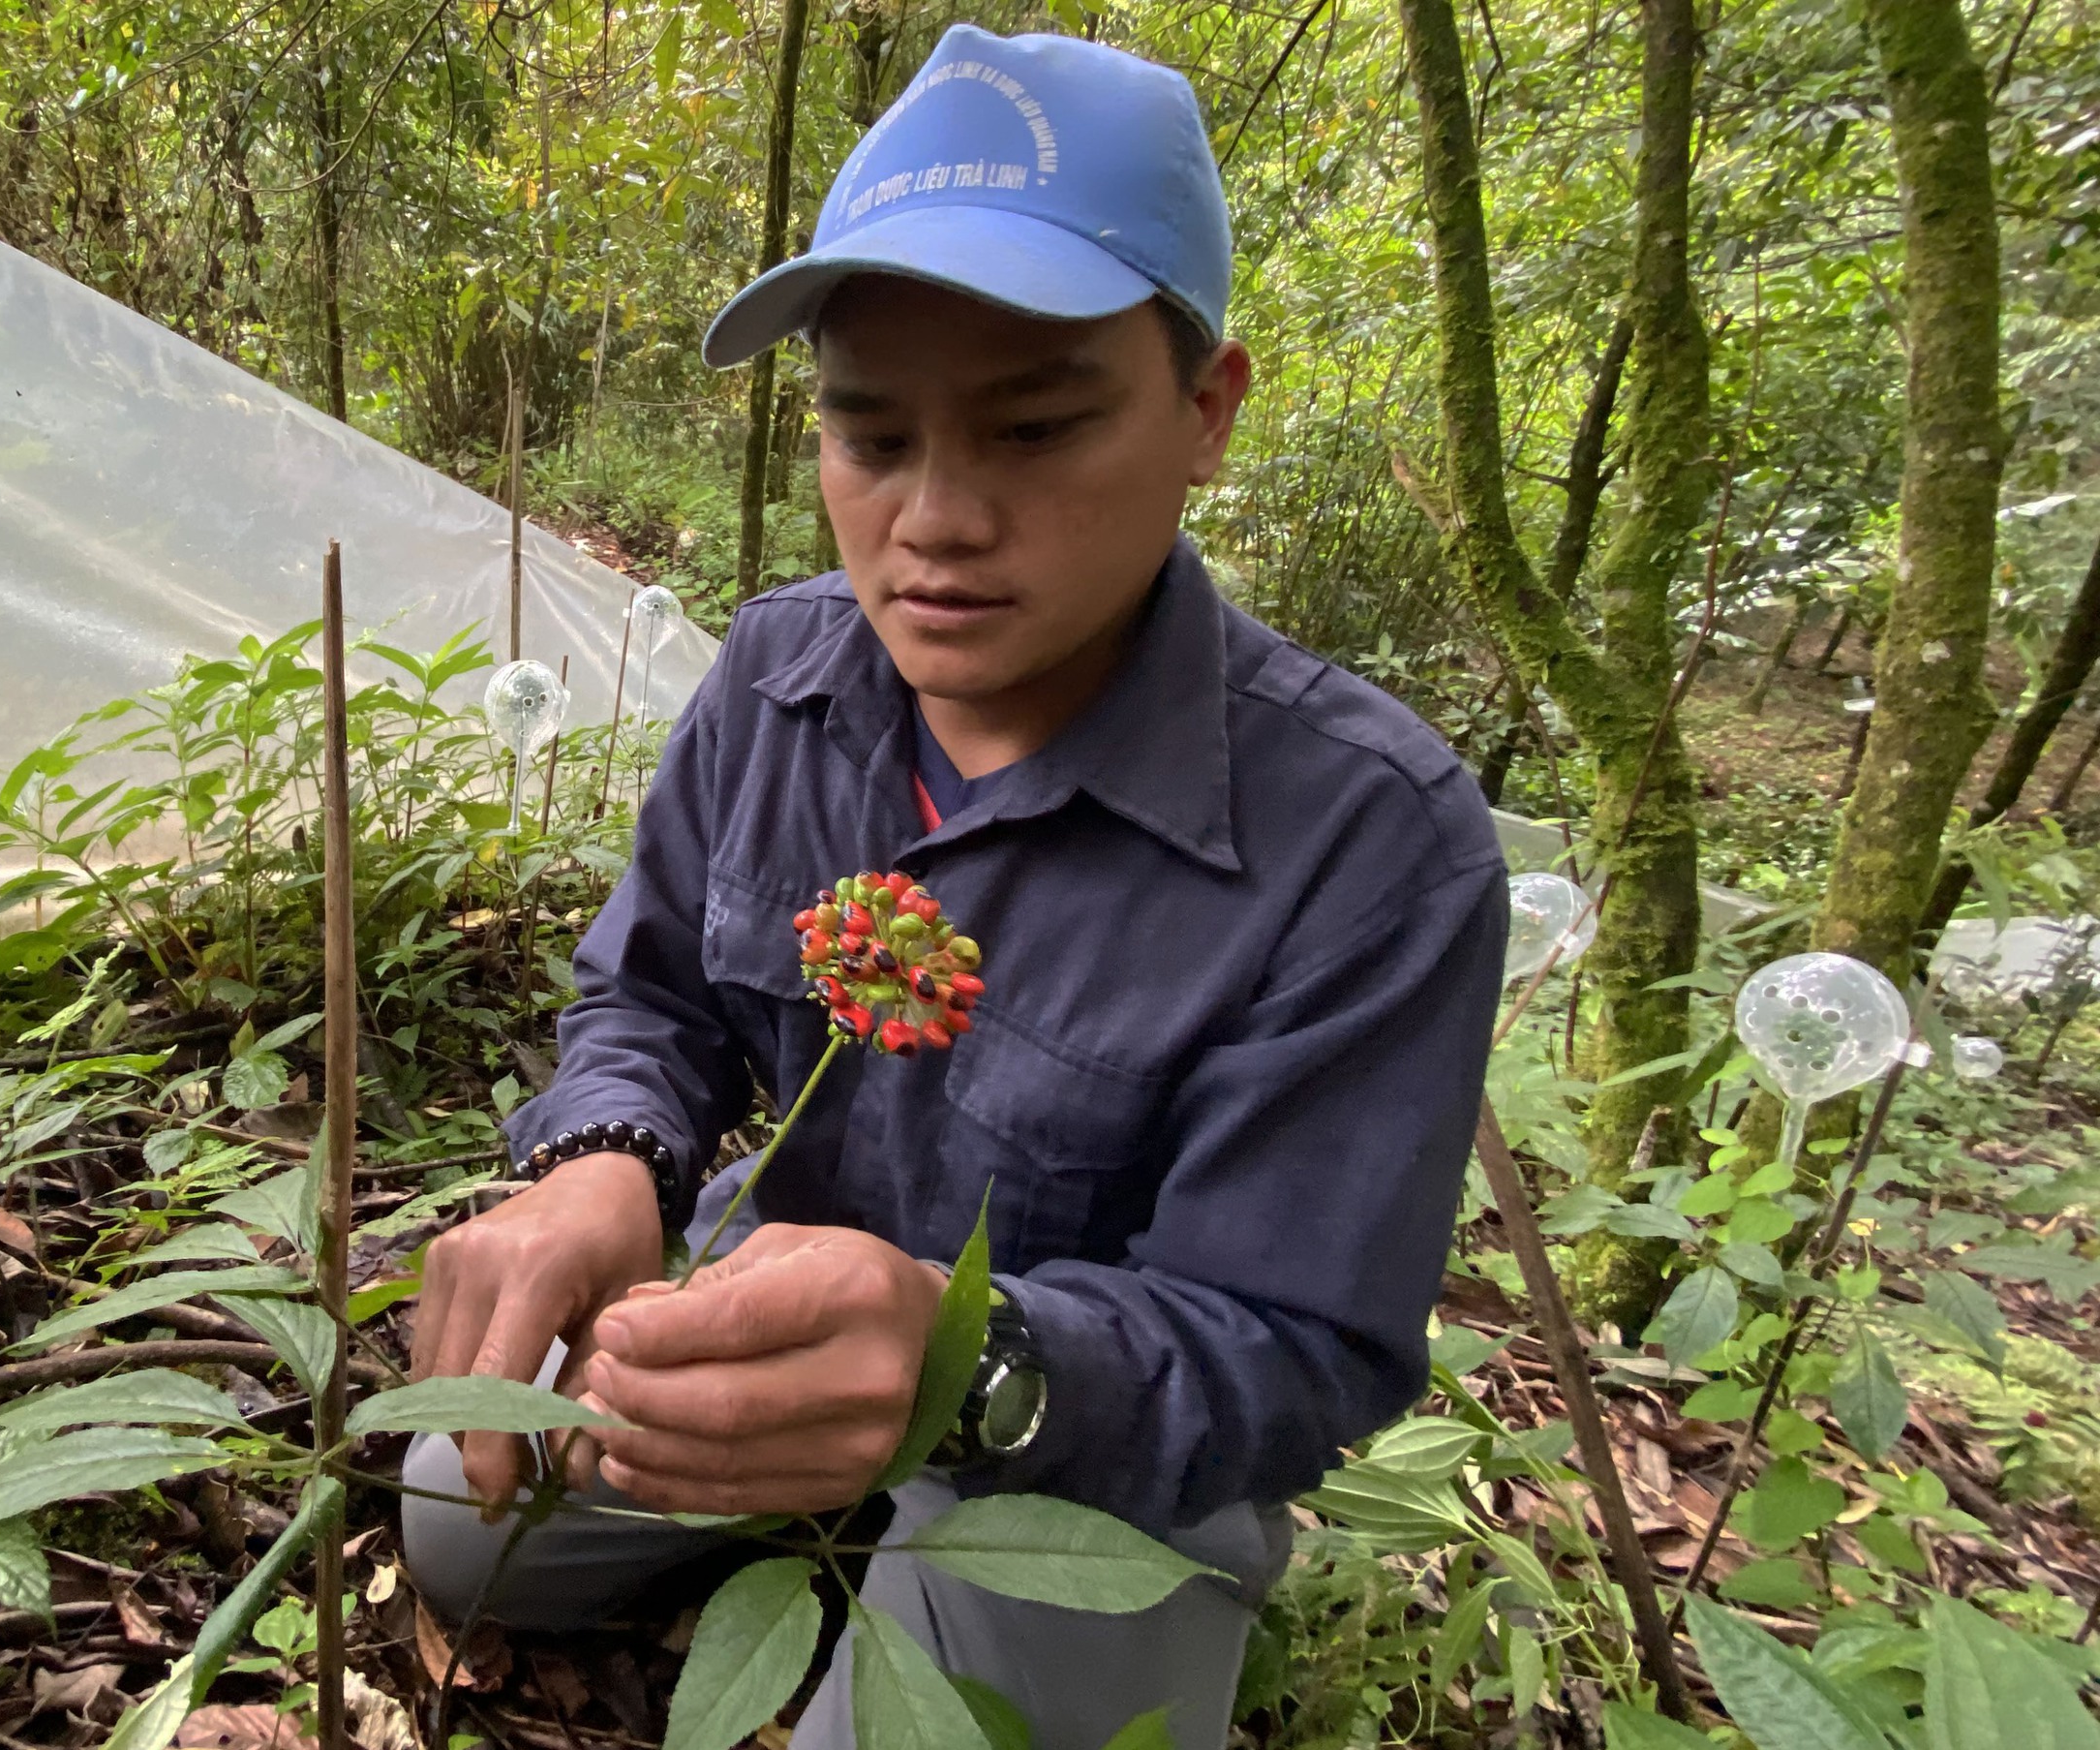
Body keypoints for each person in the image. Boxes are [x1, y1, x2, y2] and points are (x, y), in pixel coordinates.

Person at [401, 22, 1506, 1747]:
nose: (933, 521)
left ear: (1206, 412)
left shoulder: (1368, 841)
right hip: (761, 1299)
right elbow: (651, 997)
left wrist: (963, 1362)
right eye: (868, 433)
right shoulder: (776, 679)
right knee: (460, 1517)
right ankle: (789, 1491)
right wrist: (607, 1159)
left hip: (1086, 1458)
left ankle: (942, 1561)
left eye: (1038, 428)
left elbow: (1295, 1347)